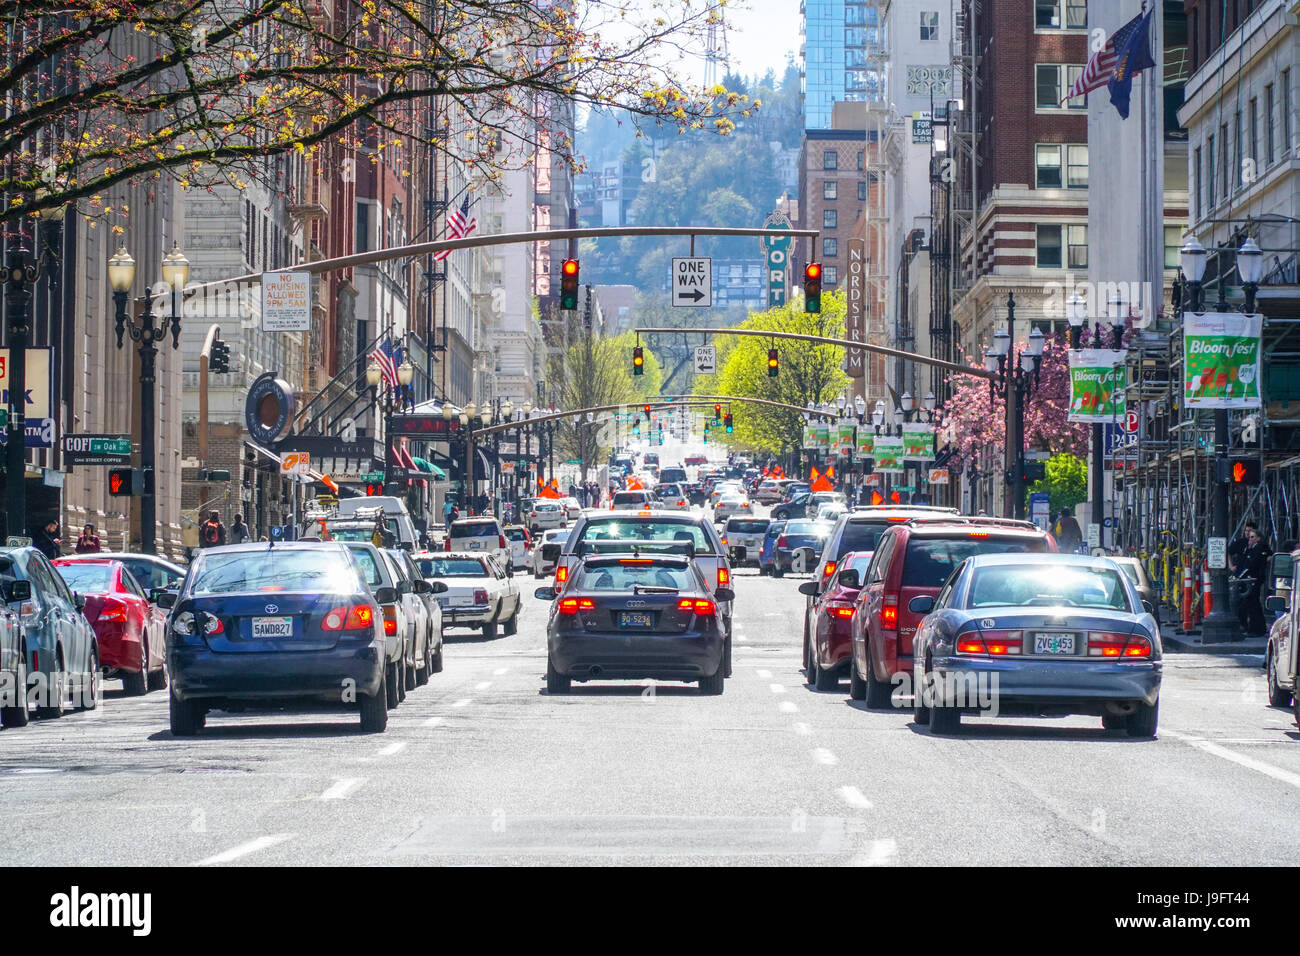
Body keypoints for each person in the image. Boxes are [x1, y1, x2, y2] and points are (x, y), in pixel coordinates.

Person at [1234, 525, 1270, 638]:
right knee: (1251, 603)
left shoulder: (1260, 548)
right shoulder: (1251, 548)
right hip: (1249, 578)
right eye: (1249, 537)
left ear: (1258, 538)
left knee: (1253, 603)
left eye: (1252, 537)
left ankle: (1256, 628)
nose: (1250, 539)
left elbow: (1253, 563)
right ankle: (1254, 627)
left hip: (1254, 578)